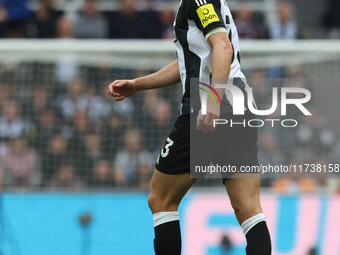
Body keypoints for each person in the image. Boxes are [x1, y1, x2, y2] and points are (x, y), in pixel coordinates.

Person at [108, 0, 271, 254]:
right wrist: (138, 84)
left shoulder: (198, 0)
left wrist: (214, 100)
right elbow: (189, 60)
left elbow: (223, 47)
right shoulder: (215, 4)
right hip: (240, 107)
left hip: (208, 105)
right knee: (248, 209)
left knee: (161, 199)